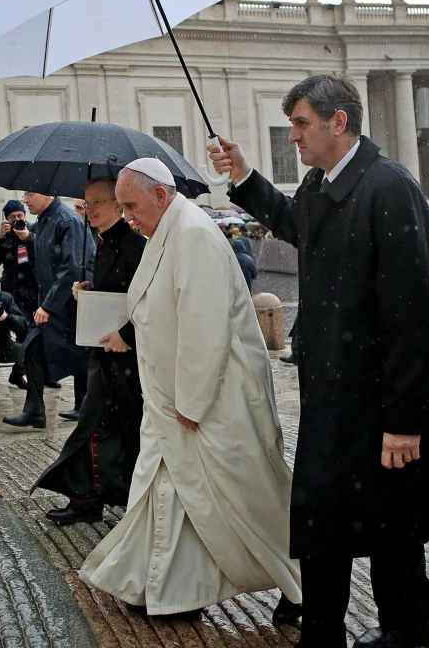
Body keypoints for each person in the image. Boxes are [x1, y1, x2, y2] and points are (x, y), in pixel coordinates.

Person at [209, 74, 429, 647]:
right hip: (333, 393)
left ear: (338, 123)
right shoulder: (322, 184)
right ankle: (321, 633)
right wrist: (242, 175)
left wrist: (404, 420)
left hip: (382, 399)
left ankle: (408, 634)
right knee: (320, 525)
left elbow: (411, 312)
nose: (292, 136)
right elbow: (295, 225)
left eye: (301, 124)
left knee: (395, 531)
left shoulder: (390, 188)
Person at [79, 158, 302, 618]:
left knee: (243, 498)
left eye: (131, 205)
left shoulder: (194, 234)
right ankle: (170, 588)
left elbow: (205, 327)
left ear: (160, 195)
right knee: (172, 495)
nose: (127, 216)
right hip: (169, 402)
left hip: (208, 402)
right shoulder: (166, 230)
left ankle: (301, 577)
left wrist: (192, 402)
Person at [34, 177, 147, 526]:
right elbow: (116, 293)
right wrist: (88, 290)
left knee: (122, 428)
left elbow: (148, 300)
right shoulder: (102, 242)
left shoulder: (134, 245)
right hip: (106, 354)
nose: (90, 208)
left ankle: (124, 499)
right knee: (95, 425)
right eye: (86, 202)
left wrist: (127, 333)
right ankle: (89, 498)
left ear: (119, 204)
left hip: (127, 358)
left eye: (98, 201)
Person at [2, 191, 94, 428]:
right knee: (34, 348)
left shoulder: (66, 220)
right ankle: (36, 411)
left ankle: (85, 406)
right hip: (53, 303)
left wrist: (48, 305)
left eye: (30, 193)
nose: (26, 200)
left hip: (67, 304)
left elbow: (73, 268)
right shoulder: (43, 221)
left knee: (80, 354)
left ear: (48, 193)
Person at [0, 199, 38, 322]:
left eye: (20, 215)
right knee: (19, 324)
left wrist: (28, 237)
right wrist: (0, 238)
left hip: (34, 286)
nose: (17, 219)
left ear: (24, 216)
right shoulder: (4, 236)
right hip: (13, 288)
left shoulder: (34, 230)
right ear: (7, 220)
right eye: (12, 217)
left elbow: (45, 251)